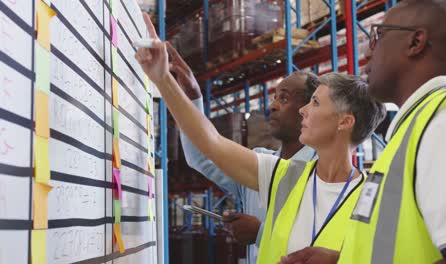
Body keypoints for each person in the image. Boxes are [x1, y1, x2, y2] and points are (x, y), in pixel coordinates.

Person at [135, 13, 385, 264]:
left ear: (344, 121)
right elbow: (211, 143)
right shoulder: (284, 174)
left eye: (316, 103)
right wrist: (163, 80)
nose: (303, 110)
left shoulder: (373, 199)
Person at [335, 0, 446, 263]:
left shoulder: (444, 126)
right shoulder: (420, 127)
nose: (367, 53)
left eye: (378, 37)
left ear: (415, 42)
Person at [166, 43, 318, 264]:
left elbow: (327, 245)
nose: (273, 105)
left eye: (284, 99)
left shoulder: (322, 171)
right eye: (274, 97)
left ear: (308, 111)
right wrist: (191, 97)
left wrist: (260, 233)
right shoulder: (258, 164)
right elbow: (202, 156)